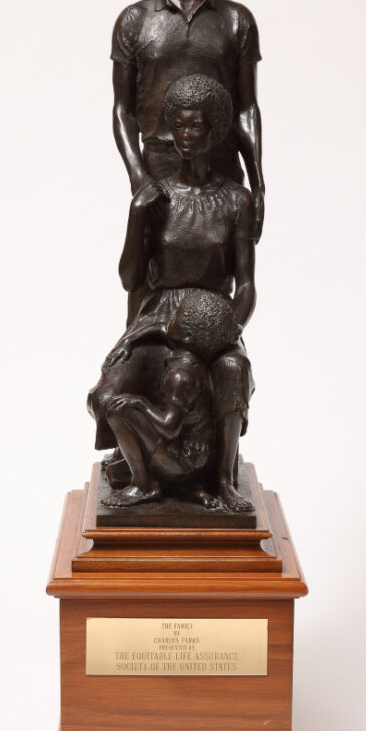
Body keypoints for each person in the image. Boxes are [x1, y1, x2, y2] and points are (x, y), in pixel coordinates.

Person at [88, 74, 256, 512]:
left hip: (212, 319)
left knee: (231, 369)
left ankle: (224, 480)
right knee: (110, 392)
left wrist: (226, 331)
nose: (185, 135)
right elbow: (129, 278)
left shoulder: (236, 201)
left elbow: (246, 285)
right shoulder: (157, 198)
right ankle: (141, 473)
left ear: (214, 129)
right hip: (158, 315)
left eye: (195, 125)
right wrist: (137, 215)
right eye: (178, 125)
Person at [112, 0, 265, 243]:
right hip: (160, 176)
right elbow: (123, 110)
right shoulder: (134, 21)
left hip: (222, 172)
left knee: (223, 270)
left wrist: (258, 185)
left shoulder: (237, 21)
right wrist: (138, 176)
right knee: (155, 270)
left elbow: (247, 109)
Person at [102, 290, 242, 509]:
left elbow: (169, 428)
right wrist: (130, 338)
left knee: (117, 412)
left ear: (187, 334)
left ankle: (144, 486)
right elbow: (160, 328)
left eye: (177, 316)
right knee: (118, 466)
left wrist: (140, 403)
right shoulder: (193, 362)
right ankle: (182, 487)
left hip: (185, 463)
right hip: (197, 460)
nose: (170, 317)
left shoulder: (180, 375)